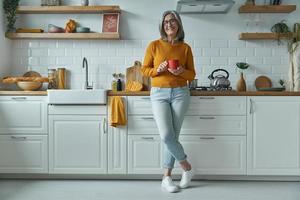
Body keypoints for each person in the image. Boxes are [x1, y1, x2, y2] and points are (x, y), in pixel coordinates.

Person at [141, 10, 196, 193]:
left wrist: (181, 72)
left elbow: (192, 73)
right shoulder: (154, 45)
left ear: (178, 24)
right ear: (162, 26)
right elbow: (144, 70)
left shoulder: (185, 48)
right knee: (167, 135)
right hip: (158, 93)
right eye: (165, 22)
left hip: (181, 93)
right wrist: (157, 70)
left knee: (173, 136)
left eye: (172, 21)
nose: (169, 24)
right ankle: (187, 168)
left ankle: (166, 177)